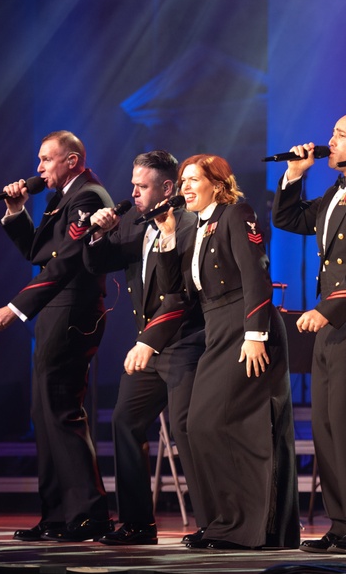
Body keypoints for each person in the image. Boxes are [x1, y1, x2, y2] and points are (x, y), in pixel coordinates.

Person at [151, 154, 299, 550]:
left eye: (192, 180)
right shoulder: (194, 227)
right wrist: (167, 237)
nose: (184, 188)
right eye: (182, 181)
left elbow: (256, 272)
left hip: (246, 328)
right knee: (197, 425)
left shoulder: (237, 212)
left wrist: (255, 334)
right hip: (218, 329)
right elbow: (177, 294)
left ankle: (245, 527)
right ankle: (224, 521)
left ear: (217, 183)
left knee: (233, 425)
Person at [0, 131, 114, 542]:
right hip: (57, 310)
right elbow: (39, 253)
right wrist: (17, 211)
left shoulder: (88, 196)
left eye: (45, 160)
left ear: (71, 160)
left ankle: (89, 514)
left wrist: (15, 306)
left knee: (61, 410)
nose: (37, 169)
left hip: (72, 311)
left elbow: (66, 264)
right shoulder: (63, 197)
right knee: (45, 414)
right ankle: (57, 514)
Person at [271, 114, 346, 555]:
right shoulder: (335, 192)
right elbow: (289, 218)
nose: (329, 142)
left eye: (340, 136)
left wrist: (328, 309)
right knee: (325, 422)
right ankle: (342, 522)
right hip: (331, 323)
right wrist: (293, 175)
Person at [83, 150, 206, 545]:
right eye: (133, 185)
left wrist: (148, 342)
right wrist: (99, 233)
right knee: (125, 420)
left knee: (188, 430)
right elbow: (97, 262)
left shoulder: (190, 225)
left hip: (185, 343)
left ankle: (213, 523)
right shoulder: (136, 227)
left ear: (167, 188)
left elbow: (182, 296)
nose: (133, 193)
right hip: (149, 349)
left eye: (142, 186)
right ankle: (138, 523)